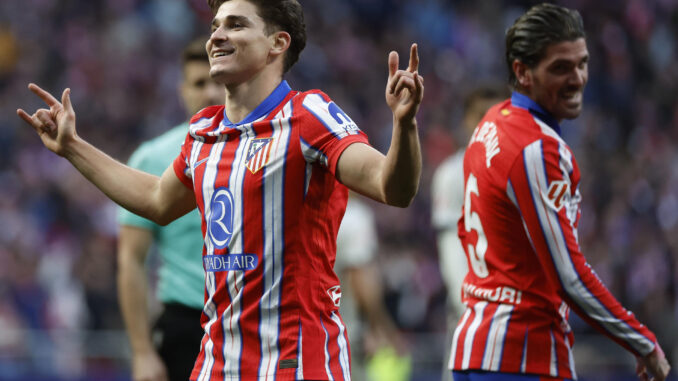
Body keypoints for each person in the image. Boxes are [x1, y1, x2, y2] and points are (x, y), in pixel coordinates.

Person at [16, 0, 424, 380]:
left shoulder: (310, 116)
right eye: (215, 26)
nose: (216, 36)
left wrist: (404, 127)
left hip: (296, 359)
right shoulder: (204, 132)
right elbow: (157, 201)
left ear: (277, 44)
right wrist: (72, 147)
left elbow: (392, 188)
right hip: (216, 362)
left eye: (236, 24)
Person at [449, 3, 670, 381]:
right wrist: (642, 340)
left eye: (582, 63)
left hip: (475, 351)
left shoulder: (491, 123)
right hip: (523, 355)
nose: (578, 78)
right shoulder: (537, 148)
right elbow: (568, 276)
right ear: (522, 72)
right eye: (560, 68)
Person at [116, 37, 222, 381]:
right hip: (185, 325)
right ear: (182, 91)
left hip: (251, 319)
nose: (210, 92)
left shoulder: (263, 150)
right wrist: (142, 352)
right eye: (199, 83)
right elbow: (131, 260)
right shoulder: (153, 158)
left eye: (218, 81)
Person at [431, 86, 508, 381]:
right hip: (473, 314)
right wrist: (471, 306)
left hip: (512, 315)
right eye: (480, 115)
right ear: (465, 121)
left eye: (496, 115)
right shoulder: (452, 174)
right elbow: (451, 248)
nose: (487, 123)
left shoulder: (516, 166)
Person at [334, 192, 411, 381]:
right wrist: (384, 331)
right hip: (341, 335)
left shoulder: (312, 209)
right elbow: (361, 280)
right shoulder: (354, 216)